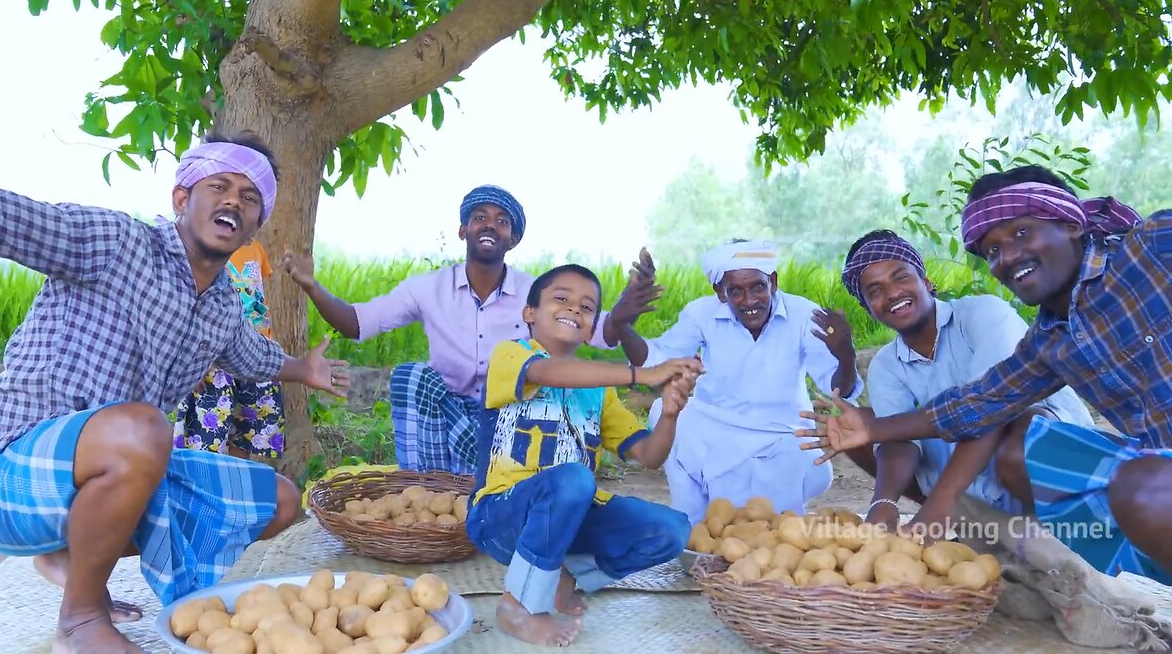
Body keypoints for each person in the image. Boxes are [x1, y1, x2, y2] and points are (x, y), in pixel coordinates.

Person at [0, 136, 351, 653]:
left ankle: (70, 553)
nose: (233, 202)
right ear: (182, 199)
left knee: (278, 501)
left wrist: (305, 369)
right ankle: (81, 617)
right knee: (141, 430)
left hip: (114, 468)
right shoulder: (115, 242)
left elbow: (253, 357)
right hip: (6, 478)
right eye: (219, 186)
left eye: (249, 197)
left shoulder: (223, 304)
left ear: (256, 222)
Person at [798, 165, 1170, 584]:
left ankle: (1049, 547)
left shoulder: (1151, 247)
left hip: (1100, 472)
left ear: (1069, 222)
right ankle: (1048, 555)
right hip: (1147, 474)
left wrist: (936, 507)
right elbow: (979, 404)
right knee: (1140, 486)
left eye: (1021, 234)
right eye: (992, 251)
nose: (1007, 257)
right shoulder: (1050, 339)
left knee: (1040, 438)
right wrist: (873, 438)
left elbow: (993, 415)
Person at [281, 185, 659, 475]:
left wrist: (623, 314)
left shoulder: (537, 294)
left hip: (511, 420)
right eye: (480, 217)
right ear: (464, 230)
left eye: (502, 220)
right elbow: (356, 322)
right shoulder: (428, 288)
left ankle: (479, 491)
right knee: (413, 377)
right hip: (448, 419)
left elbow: (602, 333)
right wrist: (312, 286)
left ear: (512, 239)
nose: (490, 224)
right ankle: (427, 489)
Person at [465, 264, 702, 646]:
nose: (575, 309)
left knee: (672, 530)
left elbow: (648, 455)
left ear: (592, 329)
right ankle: (518, 606)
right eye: (561, 299)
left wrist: (670, 415)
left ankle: (566, 576)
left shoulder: (599, 391)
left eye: (587, 307)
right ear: (529, 313)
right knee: (573, 477)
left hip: (570, 517)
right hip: (501, 517)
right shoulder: (510, 356)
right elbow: (551, 372)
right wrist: (643, 373)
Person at [840, 229, 1093, 537]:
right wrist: (883, 502)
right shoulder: (886, 365)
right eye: (875, 291)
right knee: (862, 426)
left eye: (901, 277)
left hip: (1048, 462)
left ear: (926, 283)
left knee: (1025, 426)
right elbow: (898, 442)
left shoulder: (983, 314)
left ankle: (1060, 534)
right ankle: (968, 520)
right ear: (869, 309)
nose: (892, 293)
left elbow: (993, 408)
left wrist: (937, 509)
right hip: (974, 479)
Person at [612, 240, 864, 524]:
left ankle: (755, 520)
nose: (749, 300)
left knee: (772, 525)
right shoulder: (702, 314)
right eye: (736, 291)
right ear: (720, 292)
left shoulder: (805, 315)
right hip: (718, 430)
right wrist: (622, 325)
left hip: (782, 436)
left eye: (758, 286)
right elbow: (653, 362)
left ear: (774, 281)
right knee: (664, 411)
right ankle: (691, 525)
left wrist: (845, 355)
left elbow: (839, 390)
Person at [173, 237, 286, 459]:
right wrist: (193, 360)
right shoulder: (207, 249)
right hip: (214, 358)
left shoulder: (256, 248)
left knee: (248, 435)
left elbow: (259, 300)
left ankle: (236, 488)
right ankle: (208, 490)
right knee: (207, 439)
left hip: (256, 354)